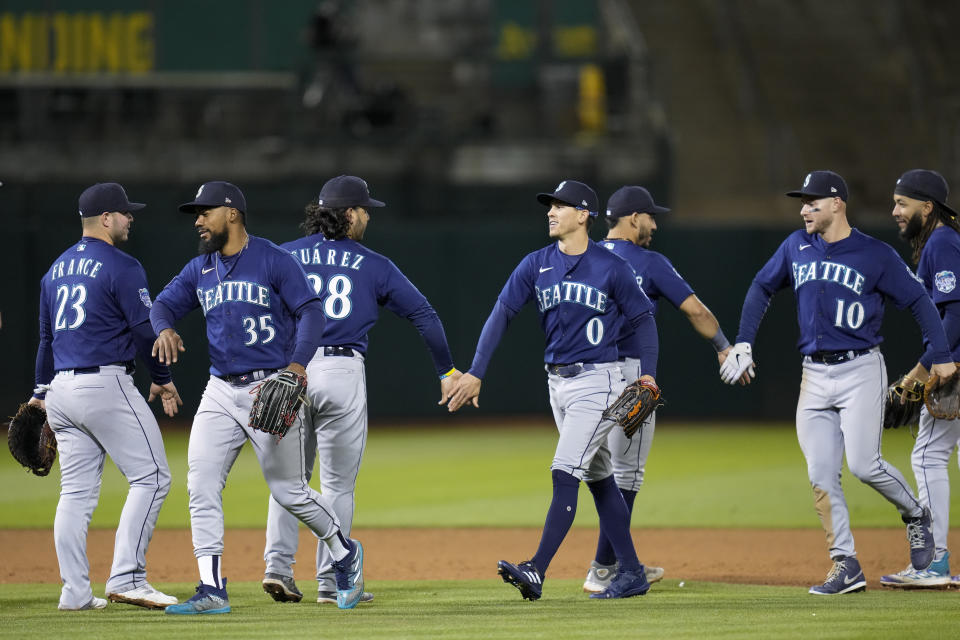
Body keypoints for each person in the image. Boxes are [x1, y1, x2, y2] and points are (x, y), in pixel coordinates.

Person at [720, 170, 955, 595]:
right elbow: (761, 286)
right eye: (803, 202)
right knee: (821, 476)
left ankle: (917, 515)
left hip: (861, 369)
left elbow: (920, 301)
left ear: (837, 204)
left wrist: (939, 356)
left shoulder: (874, 254)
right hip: (813, 375)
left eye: (813, 201)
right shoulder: (796, 246)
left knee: (865, 465)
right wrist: (743, 342)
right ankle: (845, 564)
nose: (804, 208)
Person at [149, 181, 365, 613]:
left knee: (289, 491)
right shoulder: (201, 269)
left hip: (270, 386)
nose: (198, 220)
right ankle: (211, 589)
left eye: (205, 212)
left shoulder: (272, 259)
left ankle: (345, 552)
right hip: (219, 391)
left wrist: (298, 366)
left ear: (232, 214)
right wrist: (164, 328)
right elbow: (162, 306)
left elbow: (311, 311)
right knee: (201, 484)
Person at [444, 180, 659, 600]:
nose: (550, 211)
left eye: (561, 206)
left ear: (584, 215)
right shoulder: (536, 263)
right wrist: (476, 371)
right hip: (557, 383)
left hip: (600, 382)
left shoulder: (611, 268)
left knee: (565, 471)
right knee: (599, 478)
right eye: (550, 205)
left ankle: (536, 569)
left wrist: (647, 374)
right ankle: (631, 571)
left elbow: (644, 321)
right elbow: (502, 312)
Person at [262, 175, 460, 604]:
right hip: (341, 370)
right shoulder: (373, 264)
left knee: (288, 480)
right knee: (337, 486)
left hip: (290, 369)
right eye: (365, 209)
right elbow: (424, 315)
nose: (368, 215)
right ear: (349, 213)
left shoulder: (282, 256)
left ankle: (277, 568)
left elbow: (253, 312)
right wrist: (446, 372)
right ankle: (332, 583)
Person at [582, 185, 747, 593]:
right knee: (627, 473)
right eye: (650, 216)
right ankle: (603, 567)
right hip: (632, 375)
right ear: (633, 218)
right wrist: (724, 347)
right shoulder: (650, 262)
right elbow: (696, 310)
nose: (654, 224)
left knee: (597, 468)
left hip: (585, 375)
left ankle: (611, 562)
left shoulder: (584, 257)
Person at [30, 183, 182, 611]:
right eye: (125, 212)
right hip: (104, 384)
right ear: (107, 219)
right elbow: (144, 329)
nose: (131, 218)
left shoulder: (53, 270)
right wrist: (162, 376)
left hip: (60, 388)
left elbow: (46, 339)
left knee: (75, 494)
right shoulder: (122, 265)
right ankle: (128, 578)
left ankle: (75, 592)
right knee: (152, 478)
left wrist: (40, 395)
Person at [881, 169, 960, 588]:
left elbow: (955, 314)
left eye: (903, 203)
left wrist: (920, 371)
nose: (895, 211)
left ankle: (933, 561)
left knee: (927, 456)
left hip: (955, 369)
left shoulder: (944, 242)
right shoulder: (945, 241)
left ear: (927, 207)